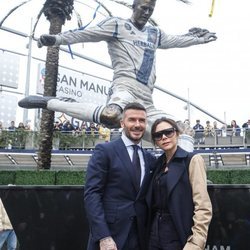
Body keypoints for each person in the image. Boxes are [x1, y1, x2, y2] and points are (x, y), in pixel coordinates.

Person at [18, 0, 217, 151]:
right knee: (111, 115)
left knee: (178, 134)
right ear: (134, 5)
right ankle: (53, 102)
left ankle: (186, 183)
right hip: (125, 88)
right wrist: (56, 39)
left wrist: (199, 38)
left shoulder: (155, 33)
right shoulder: (117, 25)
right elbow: (86, 33)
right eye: (143, 7)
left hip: (147, 100)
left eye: (150, 10)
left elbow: (177, 40)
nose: (146, 12)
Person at [84, 102, 156, 250]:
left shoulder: (150, 159)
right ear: (122, 123)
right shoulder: (105, 151)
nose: (137, 124)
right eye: (132, 120)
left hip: (141, 238)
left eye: (141, 120)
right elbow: (92, 194)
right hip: (110, 238)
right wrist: (103, 236)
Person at [148, 117, 212, 250]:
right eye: (158, 135)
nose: (164, 137)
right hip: (154, 236)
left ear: (177, 133)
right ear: (155, 141)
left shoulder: (192, 160)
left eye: (168, 132)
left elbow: (203, 206)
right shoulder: (157, 165)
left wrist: (196, 242)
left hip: (179, 236)